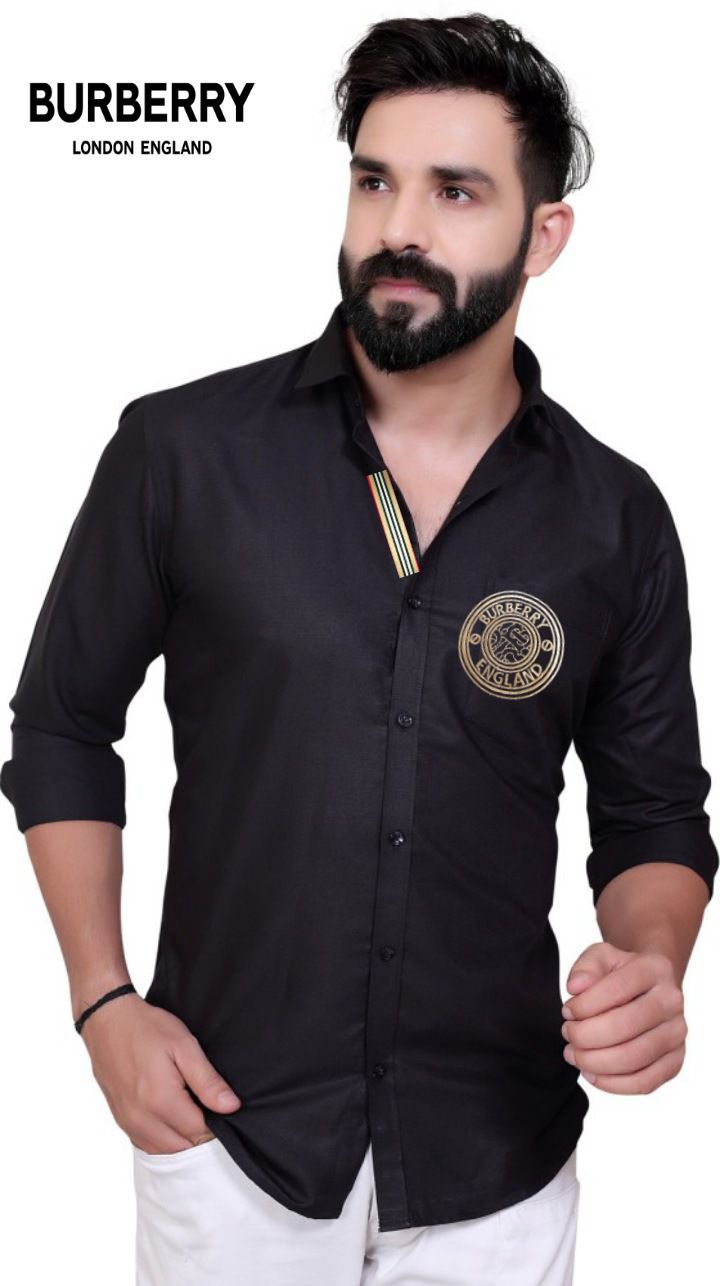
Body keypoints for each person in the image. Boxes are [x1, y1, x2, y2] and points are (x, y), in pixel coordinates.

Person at [1, 13, 717, 1286]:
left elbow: (656, 815)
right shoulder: (183, 452)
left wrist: (654, 962)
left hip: (497, 1163)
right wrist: (103, 1003)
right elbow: (60, 723)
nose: (400, 227)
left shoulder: (615, 518)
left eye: (456, 192)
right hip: (232, 1135)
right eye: (375, 181)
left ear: (545, 235)